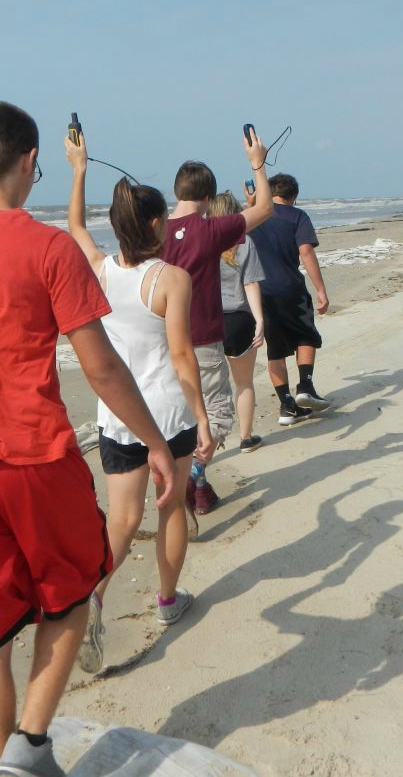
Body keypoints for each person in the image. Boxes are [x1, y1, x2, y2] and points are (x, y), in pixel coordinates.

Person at [0, 102, 175, 777]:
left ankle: (5, 767)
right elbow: (102, 366)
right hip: (34, 456)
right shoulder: (49, 248)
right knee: (75, 594)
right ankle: (31, 743)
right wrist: (157, 444)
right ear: (29, 162)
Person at [64, 129, 216, 675]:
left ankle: (94, 597)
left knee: (122, 521)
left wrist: (78, 169)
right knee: (169, 506)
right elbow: (181, 356)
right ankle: (170, 602)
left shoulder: (99, 269)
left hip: (117, 418)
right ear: (156, 225)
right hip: (167, 415)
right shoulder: (171, 279)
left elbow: (75, 226)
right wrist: (202, 418)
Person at [161, 128, 274, 517]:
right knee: (217, 414)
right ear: (208, 199)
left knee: (181, 414)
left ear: (177, 192)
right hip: (202, 339)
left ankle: (196, 485)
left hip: (161, 339)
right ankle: (192, 473)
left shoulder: (153, 230)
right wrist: (257, 163)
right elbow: (263, 210)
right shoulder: (207, 229)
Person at [247, 172, 331, 425]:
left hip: (259, 292)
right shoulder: (297, 216)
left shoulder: (253, 217)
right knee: (306, 335)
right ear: (293, 196)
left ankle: (287, 406)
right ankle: (305, 386)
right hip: (289, 287)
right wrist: (320, 289)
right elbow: (305, 251)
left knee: (275, 349)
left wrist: (250, 204)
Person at [210, 190, 267, 452]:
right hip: (239, 320)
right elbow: (251, 283)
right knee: (243, 383)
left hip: (207, 323)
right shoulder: (244, 242)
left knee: (208, 390)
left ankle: (207, 442)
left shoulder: (202, 242)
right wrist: (259, 320)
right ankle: (246, 437)